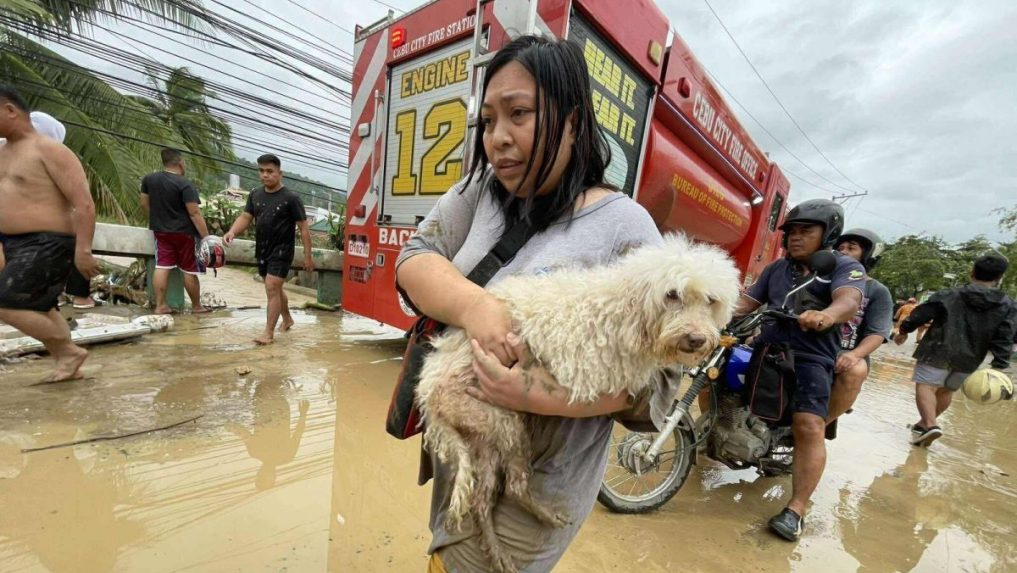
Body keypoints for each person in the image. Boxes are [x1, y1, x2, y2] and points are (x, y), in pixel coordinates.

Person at [396, 36, 664, 573]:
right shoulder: (481, 194)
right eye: (488, 121)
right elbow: (413, 259)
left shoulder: (624, 226)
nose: (498, 138)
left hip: (541, 479)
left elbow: (654, 380)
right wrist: (475, 307)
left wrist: (536, 394)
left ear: (572, 120)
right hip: (466, 457)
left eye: (518, 114)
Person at [734, 198, 865, 542]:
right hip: (767, 351)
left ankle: (796, 509)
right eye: (791, 231)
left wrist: (827, 315)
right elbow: (746, 303)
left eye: (805, 230)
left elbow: (848, 300)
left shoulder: (844, 266)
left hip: (812, 357)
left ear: (828, 233)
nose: (795, 237)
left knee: (809, 425)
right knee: (719, 383)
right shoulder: (777, 269)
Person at [0, 83, 99, 382]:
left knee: (4, 303)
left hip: (47, 242)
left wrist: (83, 251)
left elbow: (84, 204)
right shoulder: (3, 152)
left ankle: (67, 350)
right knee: (41, 306)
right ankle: (66, 360)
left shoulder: (50, 150)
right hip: (17, 243)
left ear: (9, 110)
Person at [894, 254, 1017, 447]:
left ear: (972, 272)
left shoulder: (948, 295)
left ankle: (929, 424)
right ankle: (924, 425)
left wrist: (903, 330)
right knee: (946, 390)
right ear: (999, 278)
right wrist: (999, 365)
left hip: (937, 349)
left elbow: (922, 314)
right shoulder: (1007, 305)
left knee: (926, 386)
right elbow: (1005, 335)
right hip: (970, 358)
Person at [223, 154, 313, 345]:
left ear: (280, 173)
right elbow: (246, 217)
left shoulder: (291, 198)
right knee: (274, 288)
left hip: (282, 251)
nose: (265, 175)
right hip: (263, 250)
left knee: (272, 287)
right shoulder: (255, 194)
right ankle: (287, 318)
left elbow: (303, 228)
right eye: (261, 171)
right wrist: (232, 231)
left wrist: (308, 256)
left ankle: (268, 333)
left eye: (269, 171)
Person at [827, 229, 893, 423]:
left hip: (845, 353)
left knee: (856, 370)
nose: (843, 252)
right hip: (813, 345)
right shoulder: (823, 280)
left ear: (868, 255)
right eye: (840, 248)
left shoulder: (878, 291)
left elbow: (877, 334)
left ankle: (821, 426)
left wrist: (855, 355)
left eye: (851, 248)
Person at [140, 148, 211, 315]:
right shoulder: (185, 184)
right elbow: (194, 213)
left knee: (162, 265)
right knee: (189, 270)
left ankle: (160, 306)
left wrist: (158, 219)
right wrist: (207, 237)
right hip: (185, 234)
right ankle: (196, 306)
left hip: (161, 231)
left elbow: (144, 204)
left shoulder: (149, 179)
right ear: (180, 163)